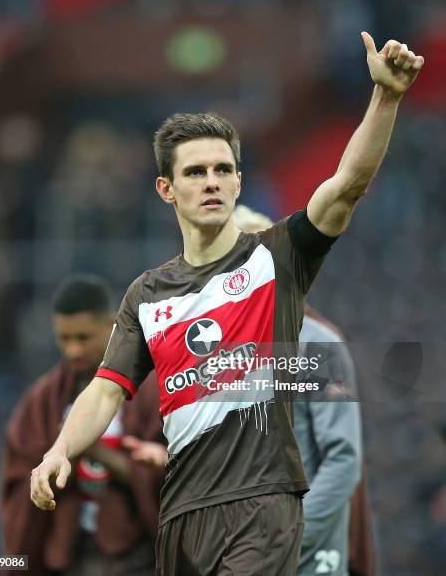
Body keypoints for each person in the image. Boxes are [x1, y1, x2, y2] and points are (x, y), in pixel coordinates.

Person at [30, 32, 424, 576]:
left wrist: (386, 98)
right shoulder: (147, 294)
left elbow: (346, 186)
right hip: (182, 514)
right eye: (195, 172)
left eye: (222, 171)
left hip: (263, 506)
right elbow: (105, 389)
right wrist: (59, 452)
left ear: (239, 183)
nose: (211, 182)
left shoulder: (276, 258)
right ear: (167, 189)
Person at [233, 205, 375, 576]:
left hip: (306, 557)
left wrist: (290, 537)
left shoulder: (318, 346)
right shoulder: (218, 354)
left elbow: (343, 460)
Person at [0, 275, 163, 576]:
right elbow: (18, 480)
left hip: (141, 559)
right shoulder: (41, 401)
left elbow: (178, 475)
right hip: (69, 558)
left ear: (112, 325)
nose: (73, 350)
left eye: (83, 338)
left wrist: (101, 455)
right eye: (64, 339)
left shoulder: (154, 390)